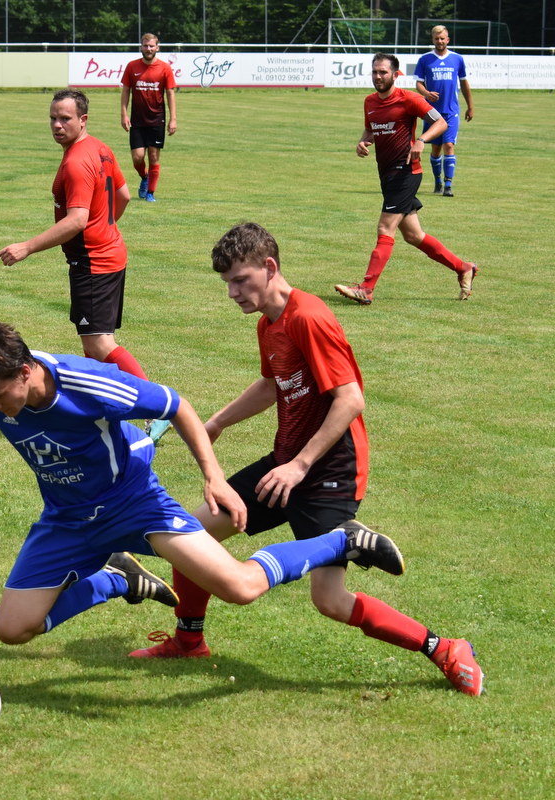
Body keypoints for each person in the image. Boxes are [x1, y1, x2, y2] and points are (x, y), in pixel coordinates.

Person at [0, 320, 406, 649]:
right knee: (12, 630)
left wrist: (214, 478)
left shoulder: (87, 384)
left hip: (132, 505)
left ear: (27, 372)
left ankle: (341, 541)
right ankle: (118, 579)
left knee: (240, 587)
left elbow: (176, 405)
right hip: (67, 519)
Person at [129, 223, 484, 697]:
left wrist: (299, 466)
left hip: (328, 471)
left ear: (270, 267)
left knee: (330, 601)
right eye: (227, 283)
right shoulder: (269, 324)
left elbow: (350, 399)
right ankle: (189, 640)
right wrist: (216, 424)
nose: (232, 293)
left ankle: (444, 648)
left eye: (240, 280)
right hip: (286, 464)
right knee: (194, 534)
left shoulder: (309, 317)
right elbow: (270, 385)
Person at [0, 90, 170, 442]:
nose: (57, 125)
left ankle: (157, 409)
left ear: (83, 120)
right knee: (92, 346)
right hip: (108, 253)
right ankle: (99, 408)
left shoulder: (76, 162)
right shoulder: (100, 148)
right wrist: (106, 225)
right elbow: (122, 196)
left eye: (65, 119)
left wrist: (27, 247)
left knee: (100, 343)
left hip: (94, 261)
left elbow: (76, 220)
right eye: (53, 118)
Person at [334, 53, 477, 306]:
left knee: (384, 229)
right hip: (387, 175)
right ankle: (463, 267)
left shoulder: (409, 99)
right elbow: (371, 129)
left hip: (406, 172)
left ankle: (366, 288)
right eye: (375, 72)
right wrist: (363, 142)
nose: (378, 76)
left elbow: (440, 123)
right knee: (414, 235)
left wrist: (421, 140)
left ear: (395, 74)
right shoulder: (370, 102)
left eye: (383, 72)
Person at [415, 25, 474, 197]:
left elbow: (464, 83)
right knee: (435, 149)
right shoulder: (425, 59)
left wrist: (470, 106)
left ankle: (448, 185)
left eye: (442, 38)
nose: (440, 41)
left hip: (451, 111)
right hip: (432, 113)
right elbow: (418, 83)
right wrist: (426, 94)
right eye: (437, 38)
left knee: (449, 145)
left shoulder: (457, 59)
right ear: (432, 40)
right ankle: (438, 182)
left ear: (448, 40)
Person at [120, 33, 178, 203]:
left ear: (157, 47)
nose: (148, 49)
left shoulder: (165, 68)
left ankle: (150, 192)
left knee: (153, 156)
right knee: (137, 157)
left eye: (152, 46)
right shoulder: (132, 66)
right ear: (141, 47)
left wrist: (173, 119)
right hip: (137, 120)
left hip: (157, 119)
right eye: (145, 46)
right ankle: (144, 177)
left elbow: (170, 93)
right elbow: (126, 91)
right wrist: (124, 114)